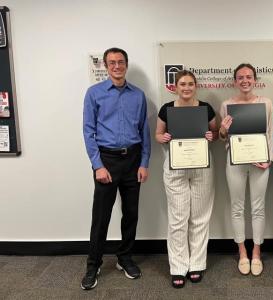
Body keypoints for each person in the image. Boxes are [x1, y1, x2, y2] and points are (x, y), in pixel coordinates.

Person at [81, 47, 151, 290]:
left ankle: (125, 258)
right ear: (105, 65)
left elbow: (144, 131)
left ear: (126, 64)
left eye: (121, 62)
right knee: (101, 216)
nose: (117, 66)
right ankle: (93, 264)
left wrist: (144, 162)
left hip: (132, 161)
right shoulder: (94, 94)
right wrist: (97, 165)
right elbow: (88, 132)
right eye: (112, 62)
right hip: (107, 162)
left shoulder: (138, 95)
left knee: (131, 213)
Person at [155, 70, 218, 288]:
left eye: (191, 84)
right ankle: (178, 267)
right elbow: (158, 134)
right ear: (175, 87)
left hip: (201, 166)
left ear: (195, 86)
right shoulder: (167, 109)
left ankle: (197, 264)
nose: (187, 87)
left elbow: (215, 133)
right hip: (175, 167)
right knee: (178, 219)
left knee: (200, 217)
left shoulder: (206, 108)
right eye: (182, 84)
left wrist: (212, 135)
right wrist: (162, 137)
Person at [219, 63, 273, 277]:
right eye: (240, 77)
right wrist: (223, 129)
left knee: (258, 208)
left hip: (261, 163)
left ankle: (256, 253)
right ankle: (242, 253)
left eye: (249, 76)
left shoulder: (266, 103)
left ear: (255, 79)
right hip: (235, 162)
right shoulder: (226, 105)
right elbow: (223, 137)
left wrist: (269, 158)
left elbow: (269, 133)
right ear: (235, 81)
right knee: (237, 207)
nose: (245, 80)